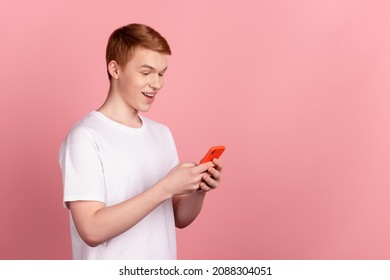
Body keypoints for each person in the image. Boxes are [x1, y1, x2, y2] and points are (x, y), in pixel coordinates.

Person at [59, 23, 223, 260]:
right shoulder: (85, 136)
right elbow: (91, 230)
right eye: (146, 73)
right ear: (115, 69)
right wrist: (165, 187)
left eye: (161, 73)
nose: (156, 83)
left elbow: (178, 217)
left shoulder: (161, 134)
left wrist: (199, 189)